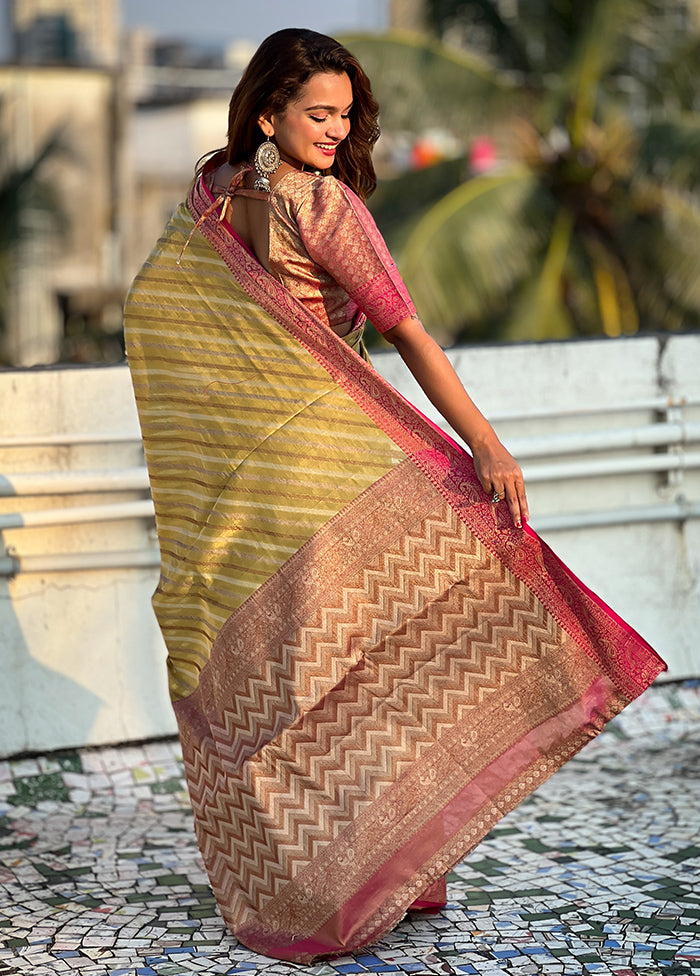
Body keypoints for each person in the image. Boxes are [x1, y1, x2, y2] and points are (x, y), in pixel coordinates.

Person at [124, 28, 665, 965]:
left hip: (250, 488)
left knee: (289, 675)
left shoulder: (211, 193)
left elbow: (153, 309)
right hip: (331, 466)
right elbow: (409, 336)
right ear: (270, 113)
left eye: (344, 113)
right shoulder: (324, 207)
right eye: (317, 113)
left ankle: (338, 876)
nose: (335, 130)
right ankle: (376, 870)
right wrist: (485, 445)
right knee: (387, 646)